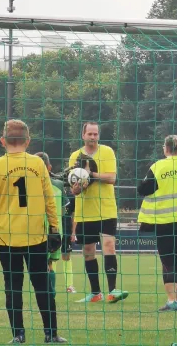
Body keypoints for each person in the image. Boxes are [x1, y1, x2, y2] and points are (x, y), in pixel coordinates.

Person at [0, 120, 66, 344]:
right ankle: (51, 333)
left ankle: (18, 334)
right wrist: (54, 227)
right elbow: (49, 199)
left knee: (13, 288)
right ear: (28, 141)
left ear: (2, 141)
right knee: (43, 286)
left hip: (6, 237)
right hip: (36, 236)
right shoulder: (37, 163)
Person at [137, 135, 177, 312]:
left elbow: (142, 189)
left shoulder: (158, 167)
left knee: (168, 261)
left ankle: (171, 300)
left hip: (165, 222)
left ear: (165, 148)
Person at [69, 121, 128, 303]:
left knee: (109, 246)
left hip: (107, 209)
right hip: (85, 212)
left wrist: (90, 174)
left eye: (95, 134)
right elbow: (74, 190)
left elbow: (112, 178)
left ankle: (113, 290)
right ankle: (96, 293)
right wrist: (79, 185)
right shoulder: (75, 156)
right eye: (90, 134)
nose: (93, 137)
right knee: (88, 251)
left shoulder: (107, 152)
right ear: (83, 135)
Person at [35, 152, 76, 295]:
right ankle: (51, 293)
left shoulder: (31, 185)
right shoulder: (58, 185)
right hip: (55, 231)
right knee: (50, 263)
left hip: (36, 230)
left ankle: (47, 292)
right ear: (49, 167)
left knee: (41, 264)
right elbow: (65, 210)